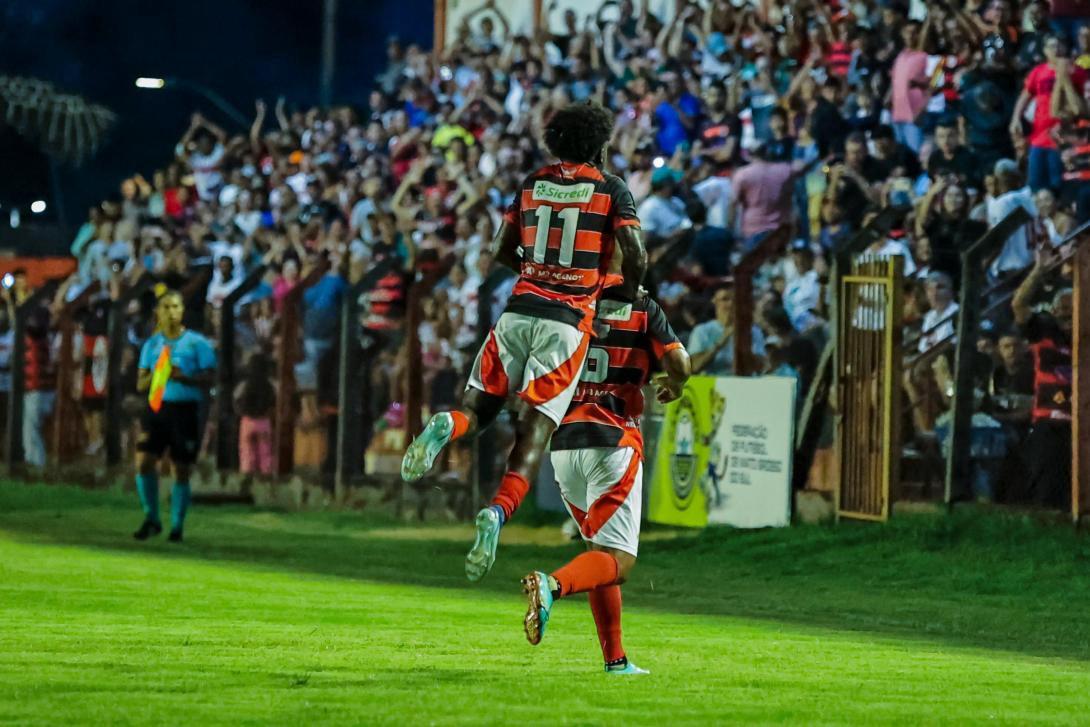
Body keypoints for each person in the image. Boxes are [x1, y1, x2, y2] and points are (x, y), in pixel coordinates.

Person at [399, 102, 647, 583]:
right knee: (534, 430)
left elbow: (498, 249)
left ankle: (442, 427)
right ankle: (497, 512)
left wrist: (536, 273)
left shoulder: (532, 183)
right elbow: (634, 251)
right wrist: (622, 291)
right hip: (566, 321)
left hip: (517, 310)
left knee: (478, 410)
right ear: (599, 143)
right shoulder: (611, 189)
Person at [522, 287, 690, 674]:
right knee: (620, 561)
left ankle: (615, 660)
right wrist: (676, 383)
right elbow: (680, 362)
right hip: (612, 442)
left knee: (598, 552)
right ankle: (552, 585)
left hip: (563, 446)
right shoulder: (642, 306)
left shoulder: (569, 304)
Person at [133, 290, 216, 542]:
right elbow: (140, 383)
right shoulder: (152, 344)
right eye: (166, 307)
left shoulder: (197, 343)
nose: (171, 312)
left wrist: (184, 377)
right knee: (144, 462)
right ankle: (151, 517)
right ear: (158, 312)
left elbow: (212, 376)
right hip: (157, 407)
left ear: (182, 311)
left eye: (176, 307)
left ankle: (177, 525)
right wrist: (159, 373)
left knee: (181, 468)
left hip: (185, 410)